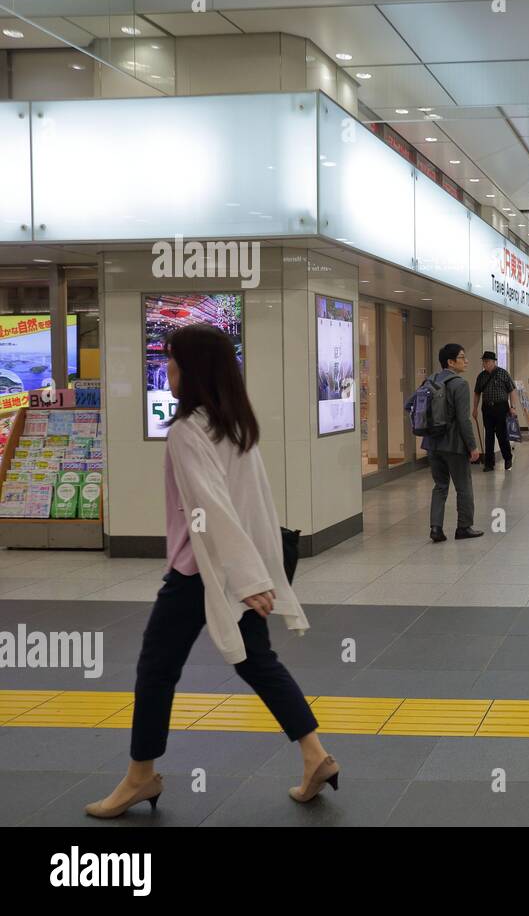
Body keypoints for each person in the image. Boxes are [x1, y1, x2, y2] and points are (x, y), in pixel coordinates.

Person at [86, 324, 334, 820]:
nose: (168, 371)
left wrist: (245, 580)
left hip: (197, 572)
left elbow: (211, 508)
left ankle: (140, 777)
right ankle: (315, 755)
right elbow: (255, 506)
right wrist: (258, 573)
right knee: (256, 662)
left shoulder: (186, 431)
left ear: (194, 370)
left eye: (173, 363)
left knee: (155, 670)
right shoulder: (236, 425)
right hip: (238, 568)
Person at [428, 343, 483, 542]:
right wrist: (473, 446)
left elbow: (410, 405)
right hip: (454, 445)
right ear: (450, 362)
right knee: (464, 486)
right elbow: (463, 419)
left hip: (433, 444)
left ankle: (436, 528)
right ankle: (464, 527)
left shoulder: (430, 380)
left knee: (440, 486)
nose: (466, 360)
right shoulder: (459, 384)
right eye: (462, 357)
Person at [472, 350, 518, 473]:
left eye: (487, 361)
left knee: (502, 435)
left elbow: (512, 390)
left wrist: (512, 407)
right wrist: (475, 408)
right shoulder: (481, 376)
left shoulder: (503, 374)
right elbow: (477, 393)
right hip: (487, 408)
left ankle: (507, 458)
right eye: (483, 362)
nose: (484, 364)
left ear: (493, 362)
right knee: (489, 435)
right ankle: (489, 463)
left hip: (501, 407)